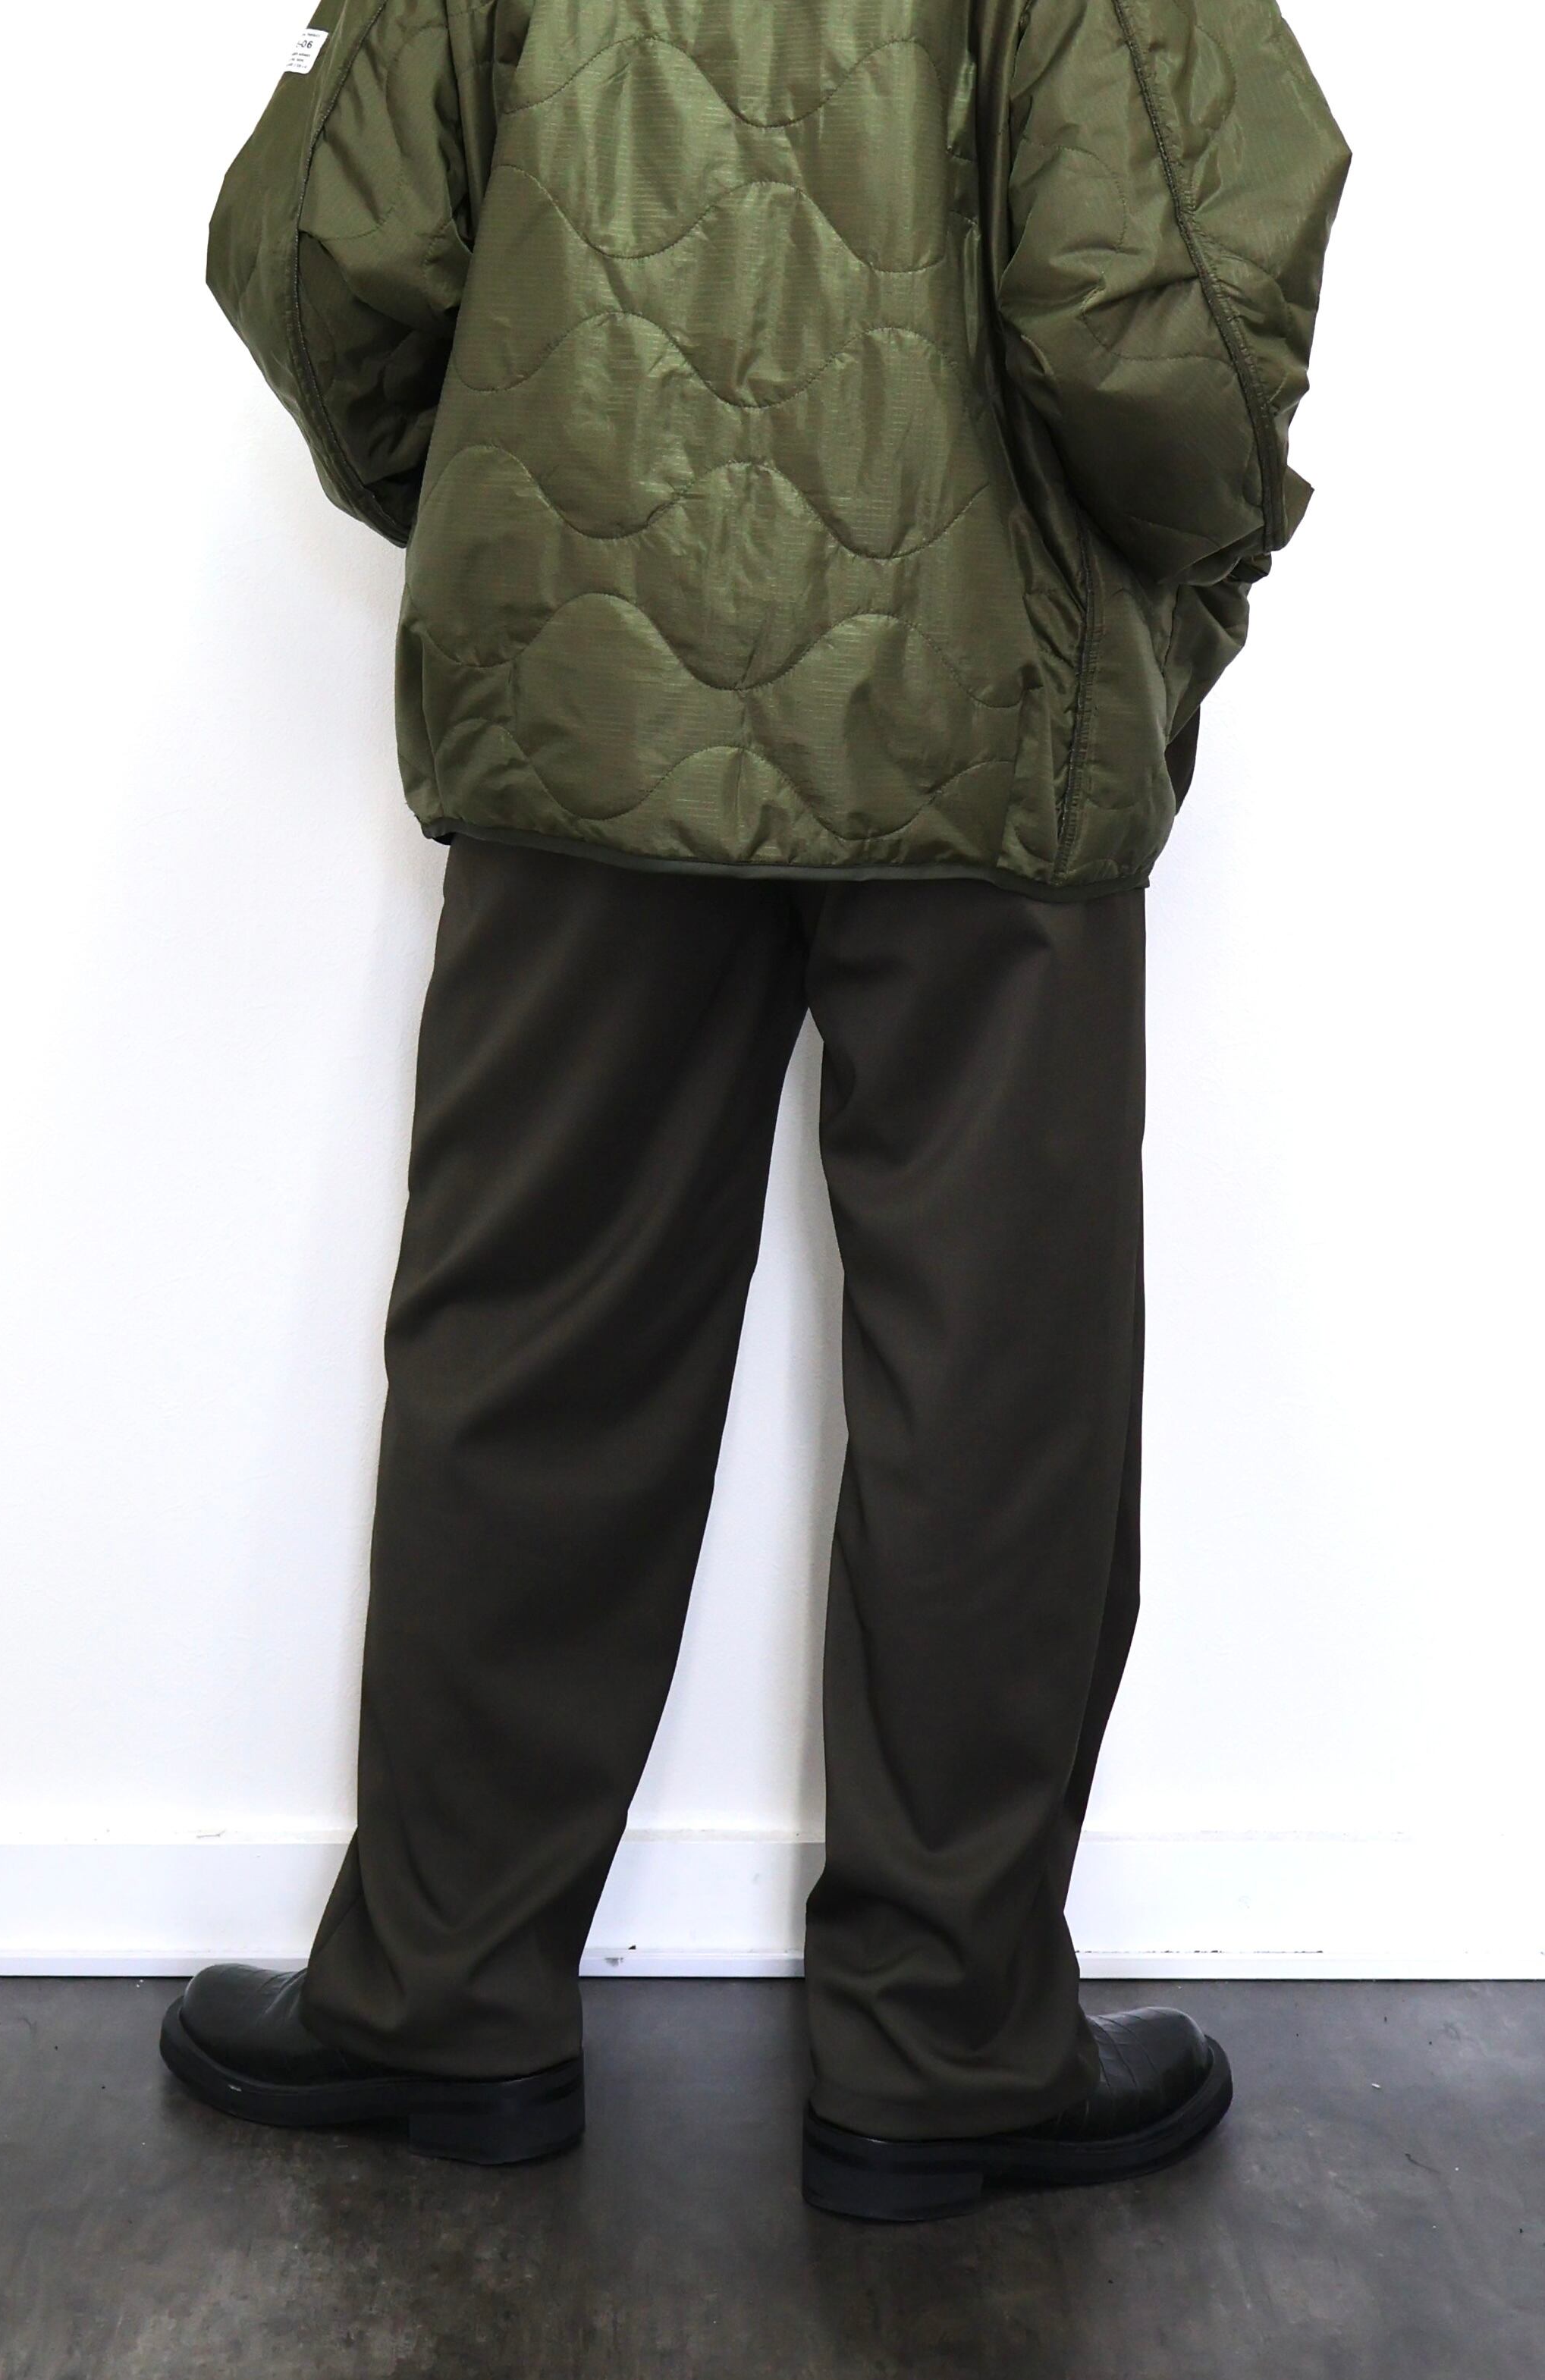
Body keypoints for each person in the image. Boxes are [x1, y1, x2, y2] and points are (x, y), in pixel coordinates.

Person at [162, 0, 1347, 2221]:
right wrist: (1198, 565)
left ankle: (437, 2000)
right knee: (990, 1386)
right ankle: (945, 2051)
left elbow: (339, 257)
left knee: (529, 1336)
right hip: (999, 709)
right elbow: (1154, 314)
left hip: (588, 689)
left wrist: (525, 489)